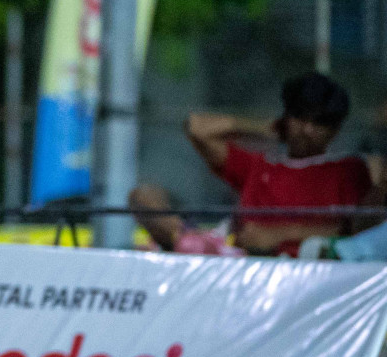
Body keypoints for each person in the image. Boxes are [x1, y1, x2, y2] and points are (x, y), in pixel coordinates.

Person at [132, 71, 375, 257]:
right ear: (286, 117)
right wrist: (266, 128)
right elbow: (196, 128)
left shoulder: (349, 169)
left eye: (320, 123)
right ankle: (185, 242)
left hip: (296, 269)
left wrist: (277, 235)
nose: (307, 130)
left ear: (335, 130)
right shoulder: (261, 165)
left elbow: (357, 231)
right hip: (229, 257)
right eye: (300, 118)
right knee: (144, 195)